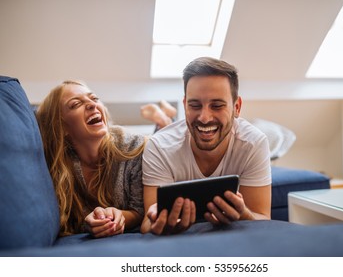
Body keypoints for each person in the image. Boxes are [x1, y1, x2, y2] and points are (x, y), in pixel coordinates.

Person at [140, 57, 272, 235]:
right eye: (195, 105)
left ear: (237, 107)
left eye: (217, 106)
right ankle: (163, 118)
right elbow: (147, 225)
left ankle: (164, 116)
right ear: (185, 105)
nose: (204, 117)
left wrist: (244, 215)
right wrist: (163, 225)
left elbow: (263, 218)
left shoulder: (254, 143)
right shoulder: (158, 146)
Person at [36, 80, 147, 238]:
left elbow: (140, 210)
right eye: (75, 104)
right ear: (62, 127)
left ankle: (162, 120)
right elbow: (68, 220)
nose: (92, 104)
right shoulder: (55, 167)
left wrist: (118, 217)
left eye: (94, 98)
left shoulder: (135, 148)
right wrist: (89, 224)